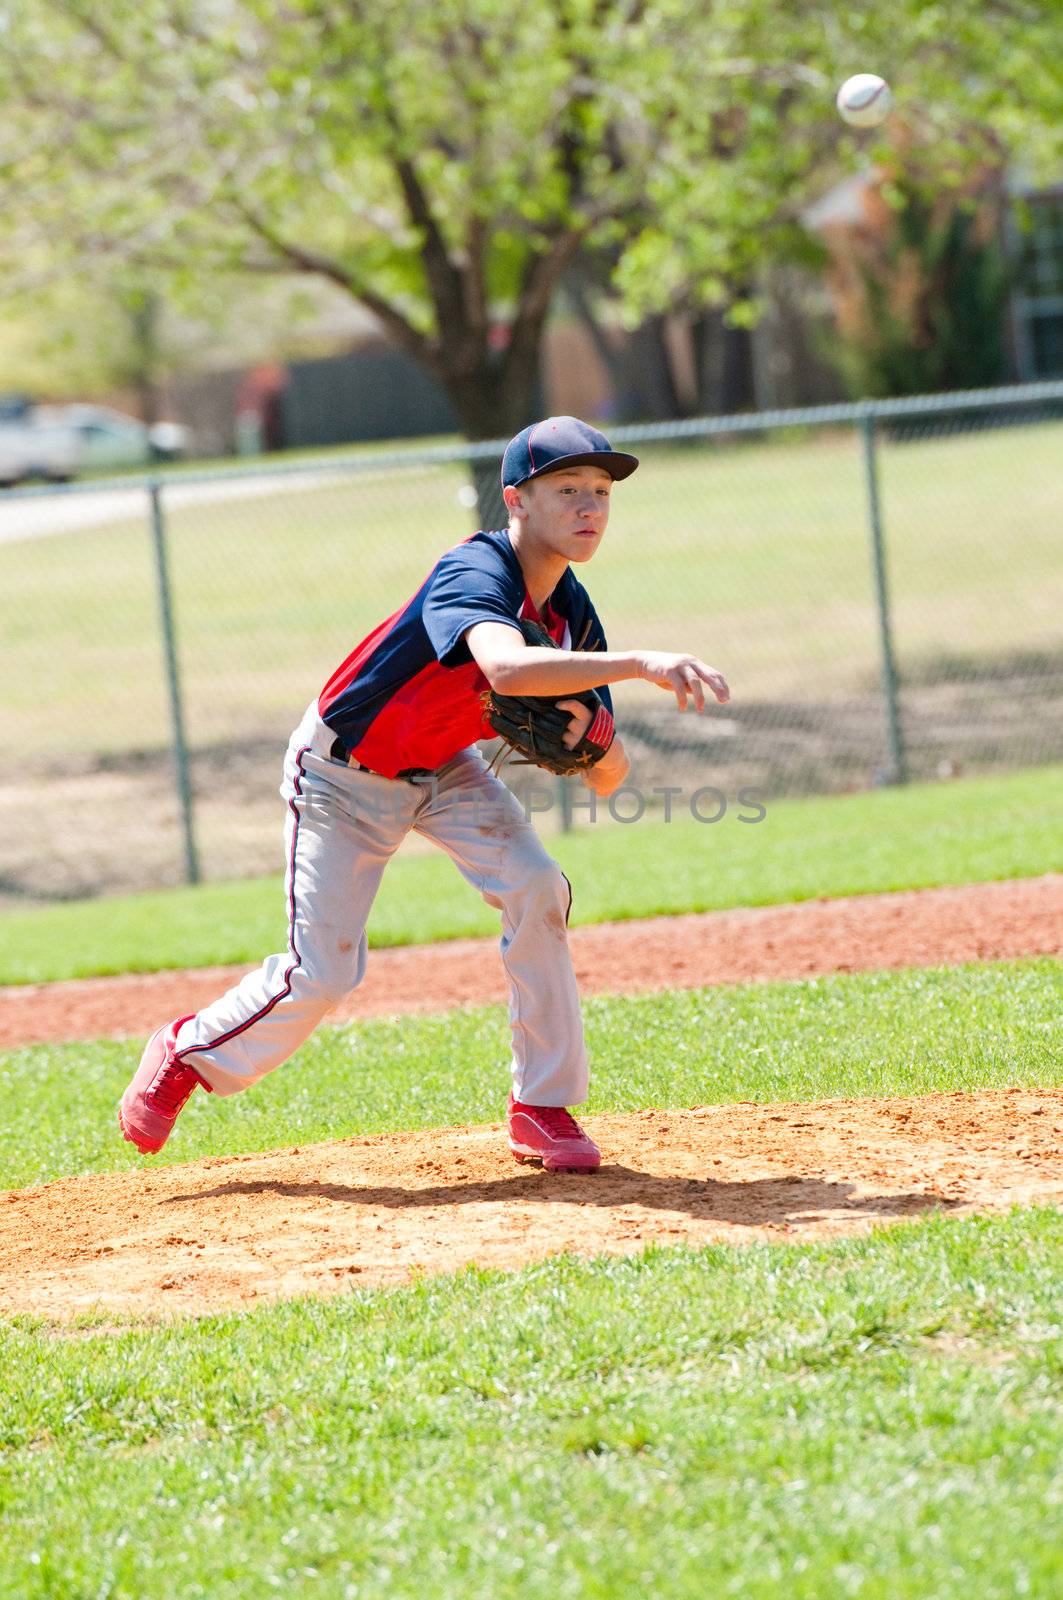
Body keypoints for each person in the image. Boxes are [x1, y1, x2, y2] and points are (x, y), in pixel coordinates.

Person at [119, 416, 730, 1172]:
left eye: (601, 491)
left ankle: (540, 1106)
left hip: (445, 768)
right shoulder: (473, 570)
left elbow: (610, 775)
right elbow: (504, 670)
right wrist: (641, 661)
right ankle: (188, 1049)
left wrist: (600, 748)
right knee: (326, 972)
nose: (589, 507)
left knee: (538, 885)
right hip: (344, 773)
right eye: (567, 488)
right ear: (516, 499)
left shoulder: (569, 612)